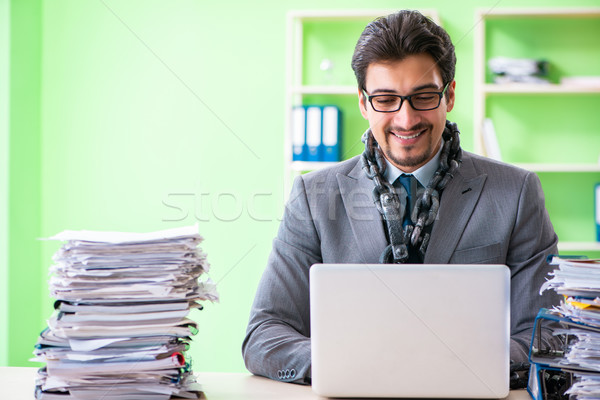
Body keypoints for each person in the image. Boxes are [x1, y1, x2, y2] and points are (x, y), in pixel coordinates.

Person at [242, 10, 560, 385]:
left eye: (423, 97)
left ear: (450, 95)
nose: (406, 120)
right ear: (363, 103)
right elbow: (264, 335)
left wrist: (453, 363)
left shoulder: (517, 193)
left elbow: (546, 333)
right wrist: (352, 363)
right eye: (386, 99)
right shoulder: (313, 196)